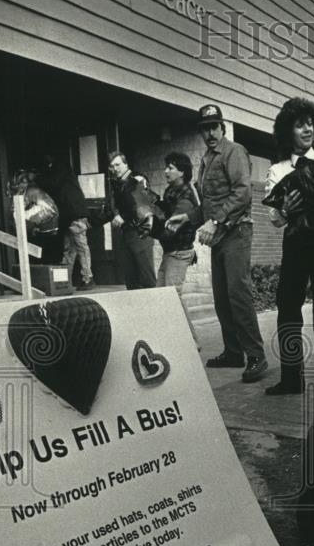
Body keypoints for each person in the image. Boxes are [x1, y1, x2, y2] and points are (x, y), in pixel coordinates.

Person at [263, 97, 314, 397]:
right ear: (288, 132)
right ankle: (291, 379)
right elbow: (274, 220)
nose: (307, 129)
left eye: (310, 123)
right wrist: (284, 209)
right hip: (294, 245)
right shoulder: (277, 170)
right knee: (287, 311)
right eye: (299, 125)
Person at [196, 103, 267, 383]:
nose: (210, 133)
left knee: (238, 294)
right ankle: (233, 352)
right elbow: (208, 201)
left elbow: (242, 193)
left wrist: (216, 221)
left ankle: (256, 355)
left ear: (222, 127)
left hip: (236, 231)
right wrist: (184, 218)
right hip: (219, 237)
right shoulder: (206, 159)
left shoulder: (233, 151)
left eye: (214, 127)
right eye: (205, 129)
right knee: (222, 297)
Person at [154, 152, 203, 344]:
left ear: (181, 172)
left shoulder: (186, 195)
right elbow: (165, 213)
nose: (166, 171)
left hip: (179, 252)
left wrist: (149, 226)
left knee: (172, 297)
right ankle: (171, 340)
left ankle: (191, 342)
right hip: (170, 252)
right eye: (167, 167)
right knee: (161, 295)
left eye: (170, 168)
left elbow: (170, 228)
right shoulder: (171, 191)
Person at [40, 153, 94, 290]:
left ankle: (85, 278)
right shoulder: (64, 168)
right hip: (73, 214)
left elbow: (53, 183)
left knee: (77, 247)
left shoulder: (59, 168)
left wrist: (38, 180)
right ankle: (67, 280)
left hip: (73, 214)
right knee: (72, 247)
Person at [106, 150, 157, 290]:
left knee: (147, 278)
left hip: (141, 233)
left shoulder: (138, 179)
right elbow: (113, 208)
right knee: (131, 280)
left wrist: (123, 216)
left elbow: (143, 203)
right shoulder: (117, 184)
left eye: (117, 165)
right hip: (126, 234)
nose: (114, 169)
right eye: (111, 166)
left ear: (126, 164)